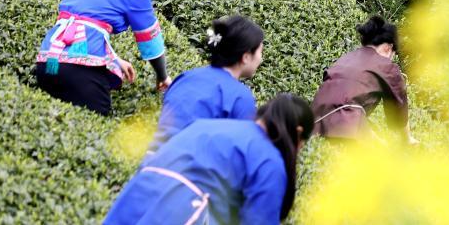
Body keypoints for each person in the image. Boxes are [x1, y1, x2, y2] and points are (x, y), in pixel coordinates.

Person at [104, 93, 314, 225]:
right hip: (183, 209)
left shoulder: (209, 125)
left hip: (139, 191)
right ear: (298, 132)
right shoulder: (270, 161)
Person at [35, 0, 171, 116]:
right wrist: (162, 76)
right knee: (96, 130)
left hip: (47, 60)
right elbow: (150, 39)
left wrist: (113, 59)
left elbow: (82, 22)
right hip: (80, 69)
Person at [146, 15, 264, 156]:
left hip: (150, 162)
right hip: (187, 172)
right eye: (260, 51)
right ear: (246, 57)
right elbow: (242, 152)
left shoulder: (186, 77)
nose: (261, 59)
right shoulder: (239, 96)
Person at [312, 16, 415, 143]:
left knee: (379, 142)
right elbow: (398, 112)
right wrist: (407, 139)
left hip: (314, 123)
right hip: (346, 124)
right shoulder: (386, 66)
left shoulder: (347, 58)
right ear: (388, 48)